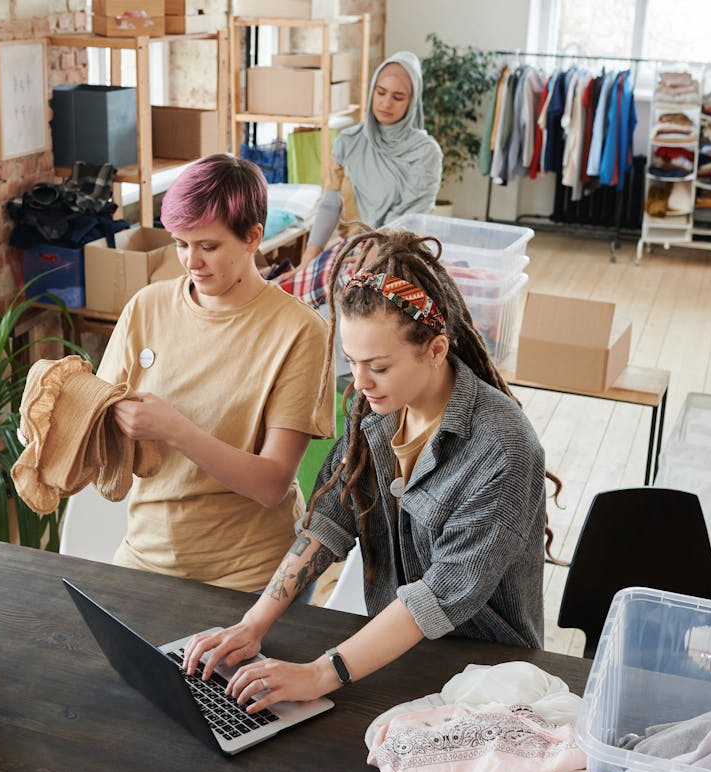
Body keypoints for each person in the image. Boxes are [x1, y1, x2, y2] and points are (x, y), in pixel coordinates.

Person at [183, 226, 549, 713]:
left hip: (486, 683)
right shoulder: (377, 412)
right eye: (352, 362)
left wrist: (319, 673)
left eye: (377, 366)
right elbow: (330, 520)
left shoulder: (503, 448)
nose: (360, 383)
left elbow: (436, 598)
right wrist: (253, 624)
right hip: (390, 657)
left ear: (436, 349)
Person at [96, 154, 334, 592]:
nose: (191, 261)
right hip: (145, 558)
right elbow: (100, 422)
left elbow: (272, 483)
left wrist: (174, 429)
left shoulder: (300, 331)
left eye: (209, 246)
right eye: (181, 243)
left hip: (250, 581)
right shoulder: (147, 308)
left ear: (252, 238)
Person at [298, 51, 444, 268]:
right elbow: (331, 204)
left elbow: (407, 220)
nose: (386, 103)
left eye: (398, 97)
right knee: (289, 290)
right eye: (380, 92)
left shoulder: (425, 153)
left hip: (400, 255)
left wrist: (371, 260)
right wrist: (308, 260)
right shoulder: (349, 141)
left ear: (412, 103)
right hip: (352, 248)